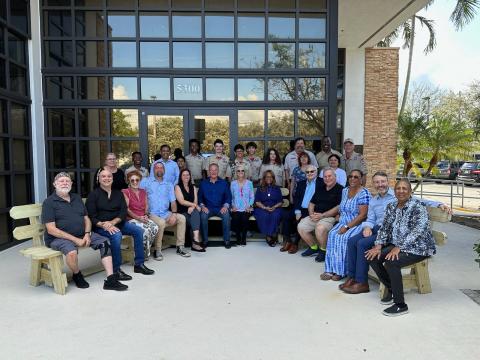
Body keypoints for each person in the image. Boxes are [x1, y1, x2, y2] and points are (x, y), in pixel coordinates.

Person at [340, 171, 450, 295]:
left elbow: (420, 201)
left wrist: (440, 204)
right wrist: (367, 227)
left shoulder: (398, 193)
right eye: (377, 182)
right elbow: (370, 219)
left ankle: (361, 282)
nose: (380, 184)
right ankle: (352, 277)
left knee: (362, 244)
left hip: (391, 232)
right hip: (378, 229)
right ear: (373, 184)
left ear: (388, 182)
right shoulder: (373, 200)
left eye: (382, 181)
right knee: (351, 241)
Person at [42, 172, 127, 291]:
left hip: (82, 234)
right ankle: (77, 274)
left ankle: (111, 279)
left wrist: (87, 234)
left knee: (105, 243)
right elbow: (51, 229)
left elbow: (86, 218)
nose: (65, 183)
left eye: (67, 181)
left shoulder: (76, 197)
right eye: (61, 181)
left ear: (71, 183)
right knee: (72, 252)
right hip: (58, 238)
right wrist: (75, 239)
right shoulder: (49, 202)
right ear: (54, 184)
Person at [366, 179, 437, 317]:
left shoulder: (417, 206)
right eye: (398, 188)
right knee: (372, 256)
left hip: (419, 247)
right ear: (395, 191)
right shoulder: (392, 206)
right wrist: (378, 245)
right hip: (398, 244)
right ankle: (392, 289)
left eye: (405, 188)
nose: (401, 191)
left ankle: (400, 305)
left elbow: (418, 231)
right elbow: (385, 228)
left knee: (392, 262)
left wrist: (399, 247)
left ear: (410, 192)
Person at [86, 167, 154, 280]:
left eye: (109, 176)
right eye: (103, 176)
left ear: (112, 179)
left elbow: (123, 212)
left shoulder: (118, 193)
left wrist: (113, 222)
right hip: (100, 227)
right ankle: (116, 270)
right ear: (98, 179)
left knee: (138, 231)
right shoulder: (93, 195)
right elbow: (91, 216)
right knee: (116, 235)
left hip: (117, 223)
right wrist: (104, 225)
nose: (106, 178)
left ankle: (139, 264)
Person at [321, 169, 370, 281]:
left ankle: (341, 271)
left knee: (344, 238)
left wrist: (347, 227)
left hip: (355, 224)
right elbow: (341, 207)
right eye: (351, 176)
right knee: (332, 235)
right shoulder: (345, 190)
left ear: (361, 179)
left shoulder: (364, 193)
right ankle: (330, 269)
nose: (352, 179)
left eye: (356, 177)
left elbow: (363, 215)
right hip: (342, 222)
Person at [140, 161, 190, 260]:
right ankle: (157, 250)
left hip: (165, 213)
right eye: (157, 167)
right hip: (151, 214)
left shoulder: (168, 184)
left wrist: (174, 214)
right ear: (153, 170)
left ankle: (180, 247)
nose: (159, 169)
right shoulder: (145, 181)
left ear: (164, 170)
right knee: (161, 223)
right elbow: (138, 196)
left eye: (161, 168)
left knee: (182, 218)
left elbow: (173, 202)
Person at [297, 168, 343, 262]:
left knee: (320, 228)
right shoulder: (320, 188)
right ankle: (314, 247)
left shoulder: (341, 189)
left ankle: (323, 250)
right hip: (315, 215)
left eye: (329, 176)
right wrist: (311, 214)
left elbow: (339, 207)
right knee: (301, 226)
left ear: (335, 177)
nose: (327, 178)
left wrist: (322, 215)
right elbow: (311, 203)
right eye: (325, 176)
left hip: (329, 217)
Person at [280, 165, 323, 254]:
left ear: (316, 172)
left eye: (312, 171)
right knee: (286, 216)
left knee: (301, 222)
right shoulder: (301, 183)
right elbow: (297, 198)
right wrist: (297, 211)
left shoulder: (322, 183)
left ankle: (295, 244)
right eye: (307, 172)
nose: (309, 173)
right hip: (300, 209)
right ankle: (288, 240)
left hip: (313, 210)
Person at [122, 170, 159, 259]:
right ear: (129, 181)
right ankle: (140, 254)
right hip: (131, 219)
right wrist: (138, 218)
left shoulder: (143, 191)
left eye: (137, 180)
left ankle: (144, 251)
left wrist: (146, 214)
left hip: (143, 217)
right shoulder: (125, 192)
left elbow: (146, 205)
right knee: (144, 231)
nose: (135, 182)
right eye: (132, 180)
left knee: (155, 227)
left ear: (140, 180)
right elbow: (127, 209)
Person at [198, 163, 232, 248]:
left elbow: (228, 197)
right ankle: (205, 240)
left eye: (215, 170)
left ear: (218, 171)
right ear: (209, 172)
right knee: (203, 216)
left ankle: (227, 240)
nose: (213, 172)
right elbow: (199, 197)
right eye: (211, 170)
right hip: (208, 208)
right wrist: (202, 206)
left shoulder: (224, 183)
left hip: (221, 208)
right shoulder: (203, 183)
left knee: (226, 215)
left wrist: (225, 206)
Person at [175, 169, 205, 252]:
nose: (186, 176)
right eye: (183, 175)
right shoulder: (177, 187)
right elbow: (181, 201)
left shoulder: (193, 187)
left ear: (190, 176)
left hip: (191, 211)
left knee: (195, 214)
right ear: (180, 177)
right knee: (195, 217)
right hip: (182, 212)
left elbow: (195, 200)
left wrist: (193, 206)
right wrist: (194, 205)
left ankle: (195, 239)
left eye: (187, 175)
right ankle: (196, 242)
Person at [254, 170, 284, 246]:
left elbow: (280, 201)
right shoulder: (260, 188)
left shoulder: (277, 188)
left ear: (273, 178)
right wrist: (264, 207)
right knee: (264, 215)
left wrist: (274, 207)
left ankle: (269, 235)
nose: (269, 178)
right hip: (262, 208)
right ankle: (270, 235)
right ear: (264, 178)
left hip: (275, 207)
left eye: (271, 177)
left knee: (275, 215)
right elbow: (257, 201)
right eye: (267, 176)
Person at [230, 165, 254, 246]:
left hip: (246, 208)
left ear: (245, 172)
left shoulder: (249, 183)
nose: (240, 172)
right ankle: (238, 237)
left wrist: (249, 206)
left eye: (242, 170)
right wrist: (233, 206)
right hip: (236, 207)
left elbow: (252, 196)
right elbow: (231, 197)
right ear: (236, 173)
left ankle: (243, 237)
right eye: (238, 171)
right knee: (236, 218)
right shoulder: (232, 183)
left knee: (244, 218)